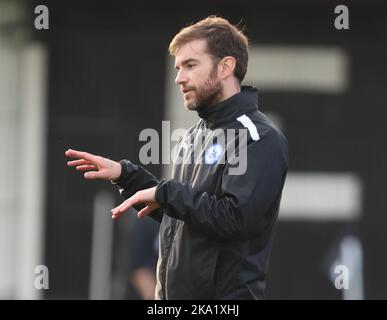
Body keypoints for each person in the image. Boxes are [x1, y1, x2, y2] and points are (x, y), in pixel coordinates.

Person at [65, 16, 288, 300]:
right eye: (178, 68)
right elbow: (184, 219)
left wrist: (167, 193)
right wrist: (127, 176)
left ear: (225, 67)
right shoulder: (193, 136)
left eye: (190, 65)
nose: (179, 78)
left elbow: (234, 219)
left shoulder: (258, 137)